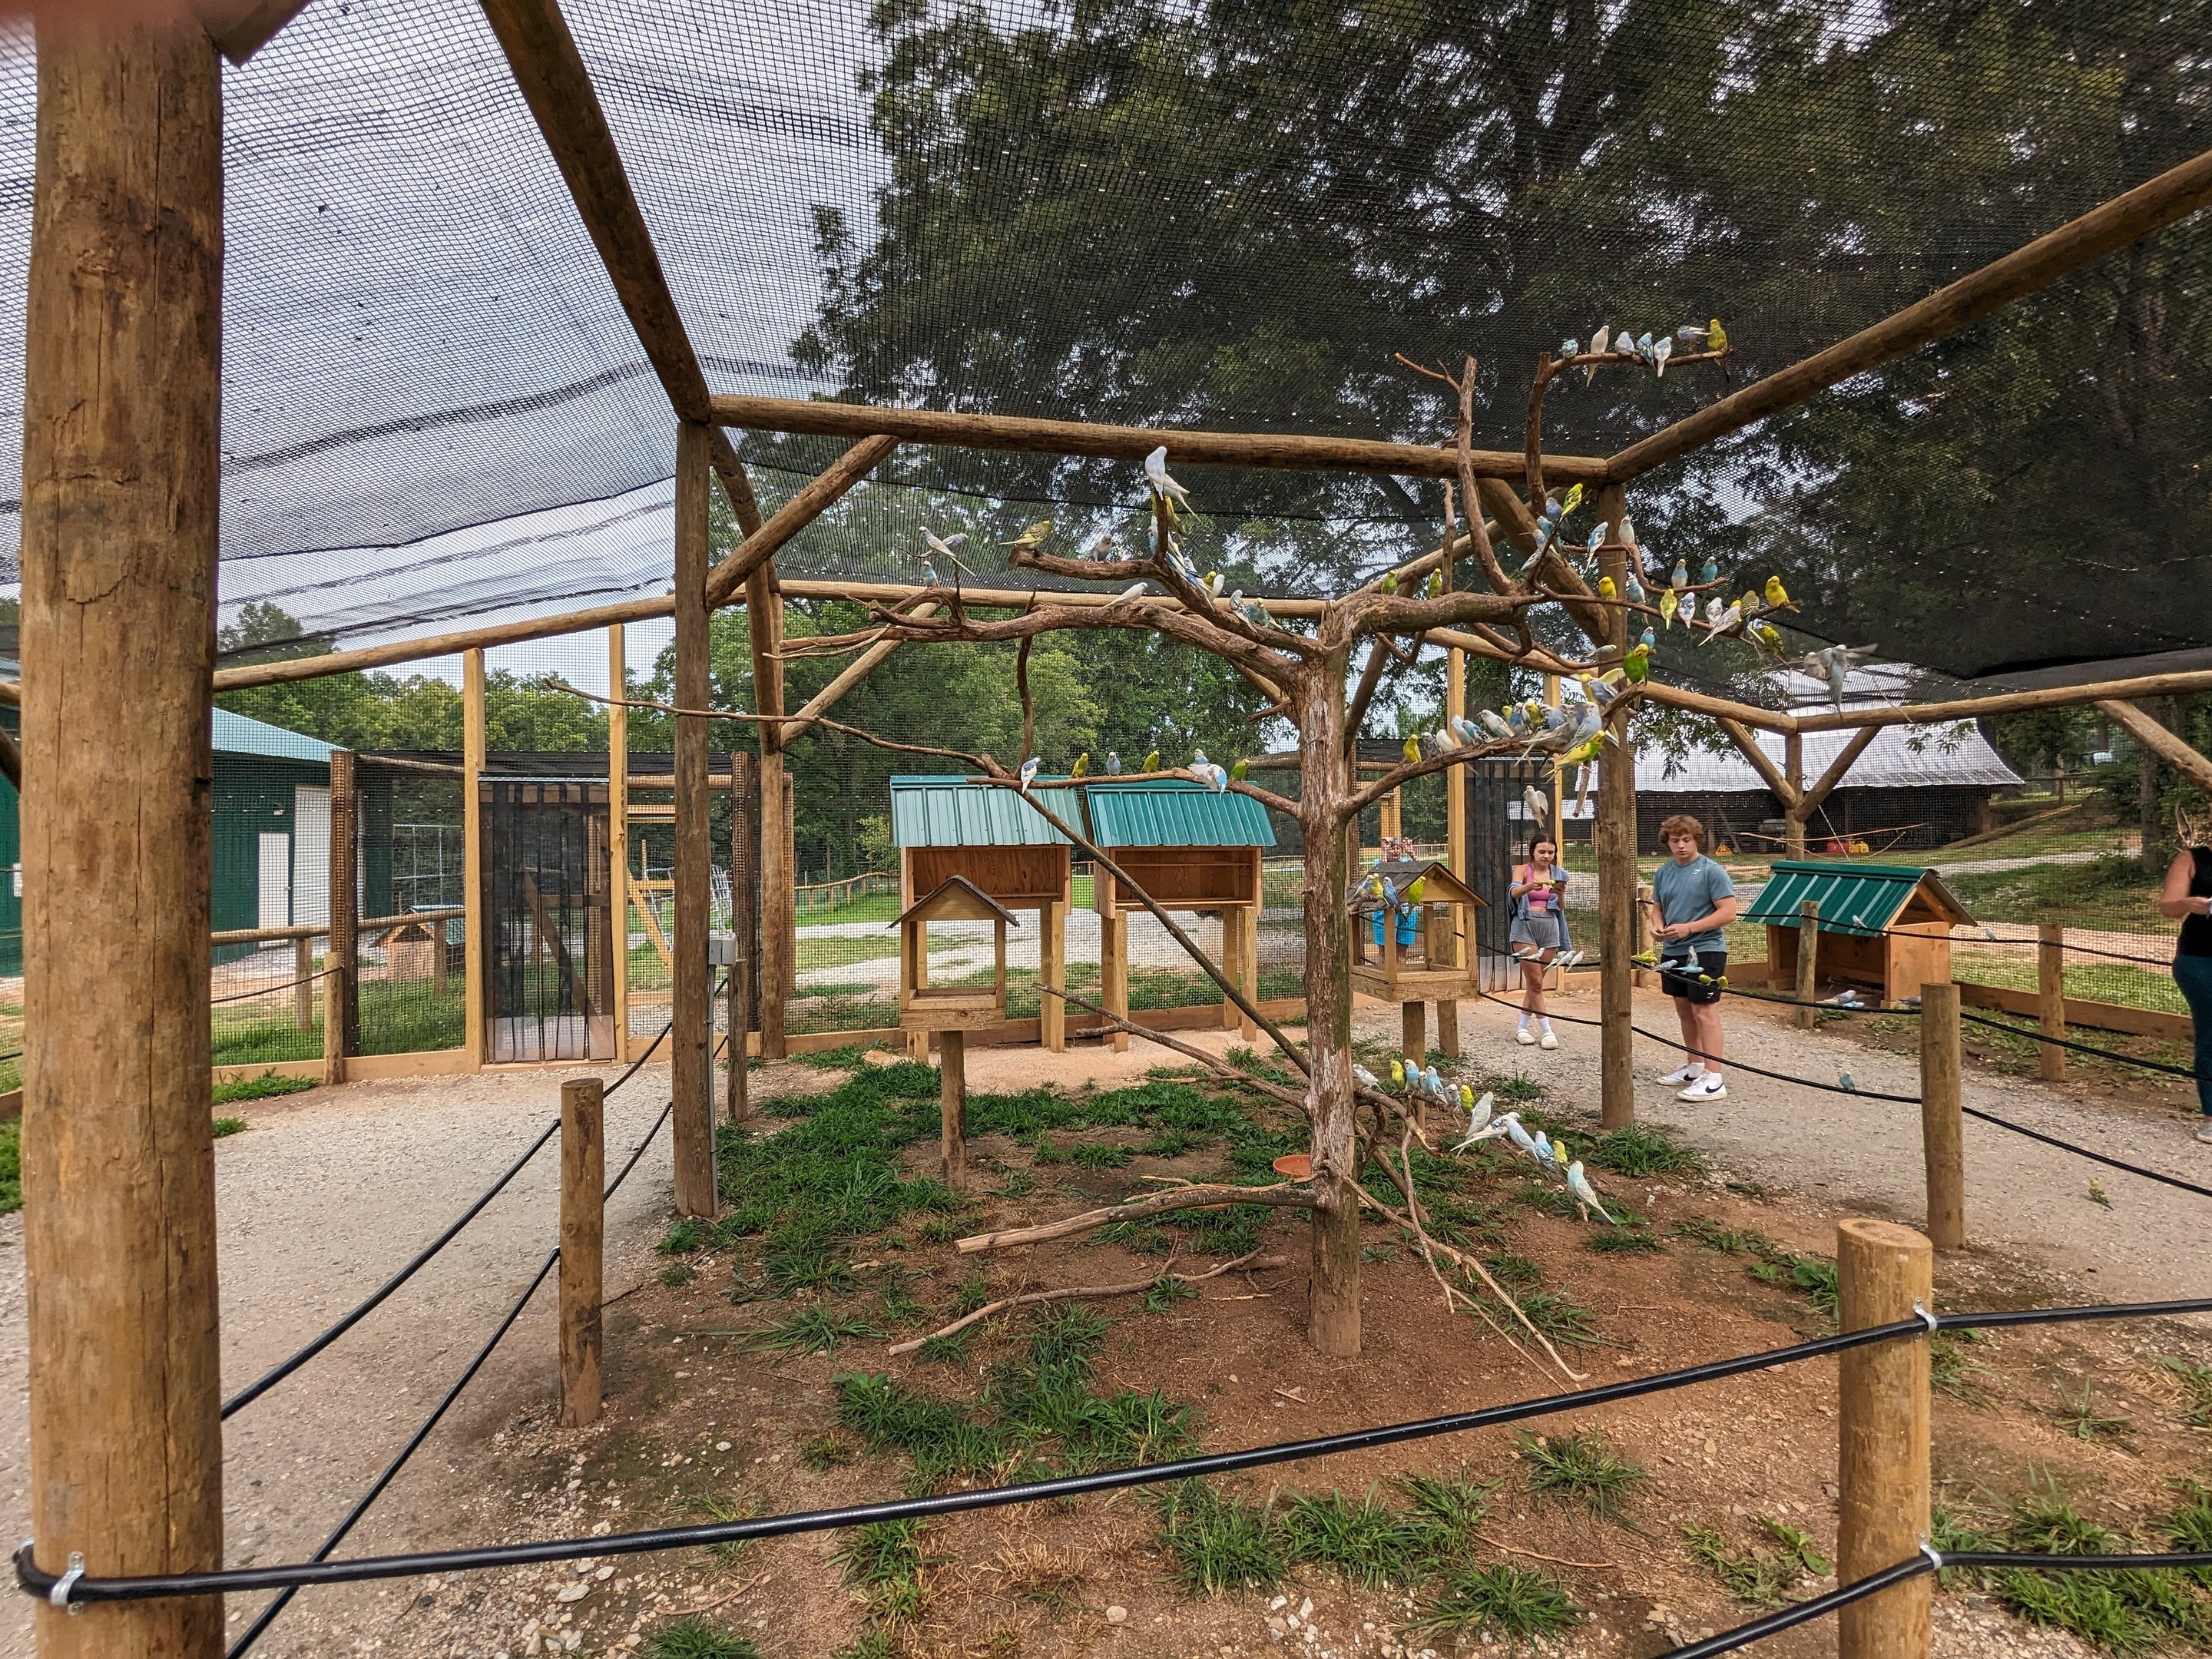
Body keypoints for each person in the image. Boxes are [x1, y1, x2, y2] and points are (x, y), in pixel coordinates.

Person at [1647, 813, 1737, 1101]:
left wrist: (1689, 928)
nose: (1681, 845)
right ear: (1668, 843)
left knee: (1704, 1011)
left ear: (1696, 840)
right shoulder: (1664, 872)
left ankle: (1715, 1078)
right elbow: (1658, 906)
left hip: (1706, 949)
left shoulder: (1712, 871)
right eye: (1675, 841)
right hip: (1673, 951)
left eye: (1686, 840)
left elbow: (1728, 912)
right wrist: (1657, 926)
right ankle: (1695, 1067)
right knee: (1684, 1010)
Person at [2159, 839, 2212, 1143]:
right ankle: (2210, 1117)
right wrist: (2190, 904)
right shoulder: (2192, 859)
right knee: (2211, 1033)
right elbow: (2167, 907)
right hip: (2200, 961)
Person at [1510, 835, 1569, 1048]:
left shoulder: (1559, 873)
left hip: (1550, 926)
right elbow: (1513, 892)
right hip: (1525, 924)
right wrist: (1530, 886)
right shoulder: (1523, 870)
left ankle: (1522, 1028)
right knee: (1535, 982)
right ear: (1532, 851)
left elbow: (1560, 907)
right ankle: (1547, 1031)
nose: (1546, 856)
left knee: (1536, 983)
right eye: (1542, 851)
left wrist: (1560, 893)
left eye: (1550, 852)